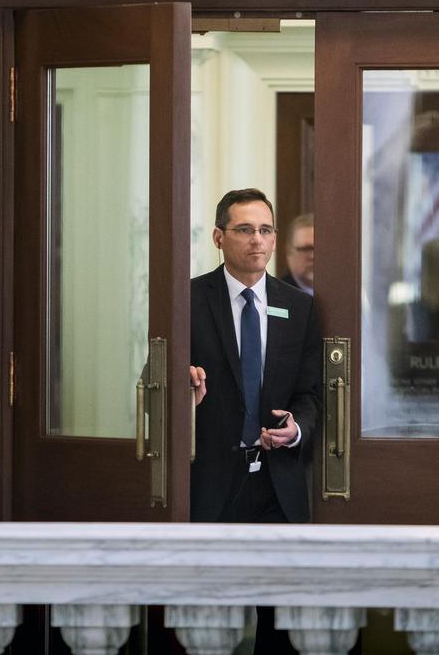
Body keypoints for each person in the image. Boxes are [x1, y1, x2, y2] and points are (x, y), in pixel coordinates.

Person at [188, 189, 322, 652]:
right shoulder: (187, 298)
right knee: (208, 623)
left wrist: (296, 429)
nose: (257, 241)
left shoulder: (298, 305)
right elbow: (155, 378)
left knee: (279, 623)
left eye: (265, 230)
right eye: (245, 230)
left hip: (276, 483)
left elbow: (310, 393)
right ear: (219, 237)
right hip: (210, 478)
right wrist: (183, 386)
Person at [280, 212, 314, 295]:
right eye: (306, 249)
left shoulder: (344, 292)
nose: (313, 256)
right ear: (288, 252)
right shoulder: (274, 296)